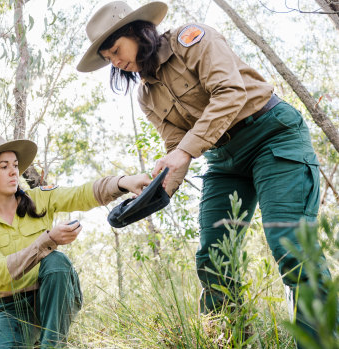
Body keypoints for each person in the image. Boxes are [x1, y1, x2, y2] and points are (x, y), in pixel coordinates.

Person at [77, 1, 334, 346]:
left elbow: (230, 92)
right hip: (223, 159)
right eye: (108, 58)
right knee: (213, 257)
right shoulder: (146, 94)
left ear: (137, 32)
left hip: (272, 136)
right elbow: (175, 148)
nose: (115, 61)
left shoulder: (192, 41)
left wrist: (183, 151)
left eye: (116, 50)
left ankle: (320, 341)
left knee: (289, 244)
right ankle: (231, 340)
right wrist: (154, 190)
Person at [0, 133, 151, 348]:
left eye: (15, 164)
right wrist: (46, 241)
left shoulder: (40, 197)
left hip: (54, 297)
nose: (14, 171)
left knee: (56, 261)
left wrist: (124, 182)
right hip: (11, 308)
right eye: (4, 167)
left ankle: (53, 345)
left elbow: (82, 194)